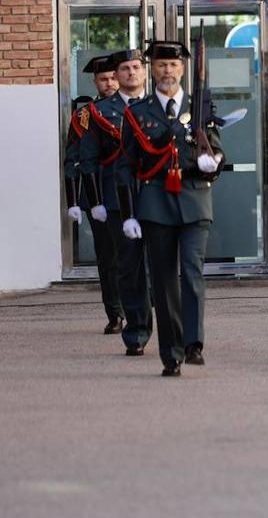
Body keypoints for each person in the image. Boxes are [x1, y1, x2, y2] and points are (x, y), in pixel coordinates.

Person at [118, 41, 225, 377]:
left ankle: (194, 343)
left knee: (191, 274)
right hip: (155, 203)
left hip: (194, 198)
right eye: (161, 65)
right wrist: (130, 213)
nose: (167, 71)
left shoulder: (201, 106)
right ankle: (171, 353)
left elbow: (218, 151)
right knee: (163, 281)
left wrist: (213, 163)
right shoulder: (138, 113)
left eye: (173, 65)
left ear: (182, 69)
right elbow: (126, 167)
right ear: (153, 70)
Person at [79, 49, 153, 356]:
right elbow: (86, 159)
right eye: (124, 69)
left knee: (158, 265)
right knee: (124, 264)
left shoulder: (159, 106)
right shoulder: (96, 113)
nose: (130, 73)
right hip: (114, 198)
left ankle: (163, 324)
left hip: (155, 195)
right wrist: (92, 200)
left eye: (136, 67)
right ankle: (132, 326)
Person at [64, 54, 122, 334]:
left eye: (113, 77)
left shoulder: (133, 109)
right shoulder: (84, 116)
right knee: (107, 257)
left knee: (138, 255)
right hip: (96, 192)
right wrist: (72, 201)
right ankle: (115, 313)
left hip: (131, 192)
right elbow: (71, 159)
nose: (109, 83)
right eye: (104, 79)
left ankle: (138, 306)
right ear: (95, 82)